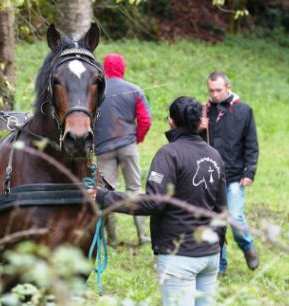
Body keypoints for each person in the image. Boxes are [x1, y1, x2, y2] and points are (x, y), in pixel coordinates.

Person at [90, 96, 227, 306]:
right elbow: (221, 208)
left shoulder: (168, 154)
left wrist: (103, 197)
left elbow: (153, 202)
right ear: (199, 121)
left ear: (171, 121)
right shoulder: (215, 155)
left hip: (179, 257)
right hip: (210, 256)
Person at [203, 71, 259, 275]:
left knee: (233, 216)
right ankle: (220, 265)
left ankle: (247, 246)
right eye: (211, 90)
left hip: (235, 175)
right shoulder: (205, 111)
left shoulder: (244, 110)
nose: (215, 94)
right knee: (216, 220)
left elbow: (252, 144)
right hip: (211, 177)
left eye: (219, 90)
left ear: (228, 87)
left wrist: (249, 171)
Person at [94, 53, 152, 248]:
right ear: (122, 68)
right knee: (135, 189)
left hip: (103, 149)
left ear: (105, 69)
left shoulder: (96, 91)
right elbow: (145, 120)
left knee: (105, 192)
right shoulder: (134, 90)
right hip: (128, 145)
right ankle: (143, 236)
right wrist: (137, 139)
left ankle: (110, 239)